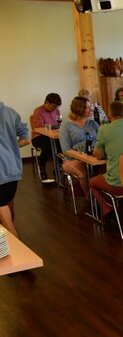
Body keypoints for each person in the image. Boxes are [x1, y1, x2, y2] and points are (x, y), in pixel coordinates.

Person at [90, 100, 123, 231]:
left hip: (118, 186)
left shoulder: (104, 130)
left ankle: (108, 213)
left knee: (92, 182)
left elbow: (98, 155)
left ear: (109, 114)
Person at [59, 96, 100, 195]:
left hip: (94, 157)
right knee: (83, 171)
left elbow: (102, 140)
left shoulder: (93, 124)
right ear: (79, 109)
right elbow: (66, 150)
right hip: (72, 160)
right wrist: (81, 155)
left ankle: (103, 199)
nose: (91, 109)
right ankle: (90, 198)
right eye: (88, 107)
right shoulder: (66, 127)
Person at [0, 101, 29, 237]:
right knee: (8, 201)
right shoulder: (10, 112)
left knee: (2, 206)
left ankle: (15, 241)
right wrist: (10, 148)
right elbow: (26, 139)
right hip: (13, 167)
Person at [30, 93, 62, 181]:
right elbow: (38, 128)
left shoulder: (56, 111)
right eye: (53, 106)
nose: (54, 109)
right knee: (48, 146)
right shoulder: (38, 111)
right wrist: (52, 127)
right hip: (38, 136)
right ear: (46, 102)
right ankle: (42, 167)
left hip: (52, 136)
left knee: (62, 144)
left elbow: (59, 124)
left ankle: (58, 167)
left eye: (56, 107)